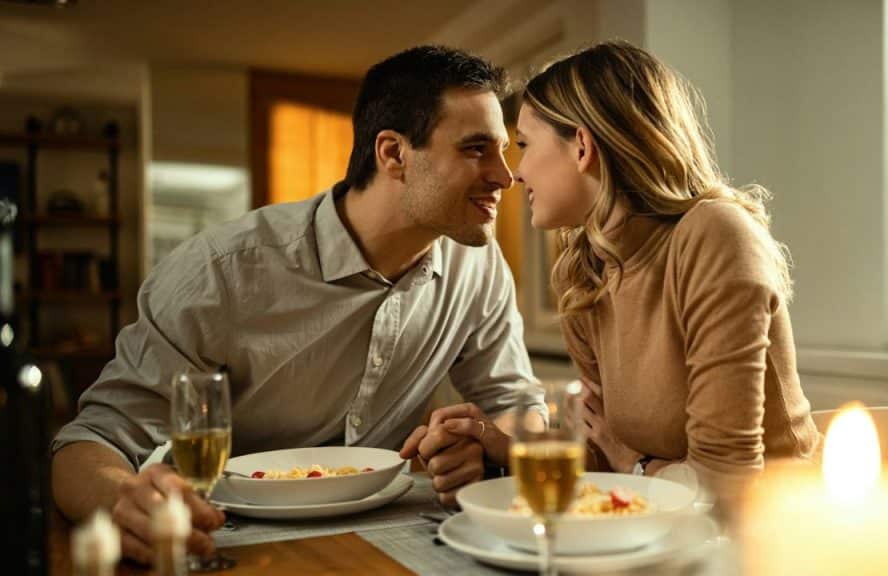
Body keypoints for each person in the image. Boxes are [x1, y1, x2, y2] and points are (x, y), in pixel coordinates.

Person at [50, 45, 545, 565]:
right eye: (476, 149)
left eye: (504, 150)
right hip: (224, 541)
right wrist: (120, 499)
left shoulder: (479, 268)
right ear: (393, 154)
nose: (505, 175)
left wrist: (483, 440)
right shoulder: (220, 272)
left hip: (388, 538)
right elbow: (89, 442)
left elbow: (515, 406)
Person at [437, 41, 820, 509]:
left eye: (524, 146)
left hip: (775, 527)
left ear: (582, 146)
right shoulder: (584, 271)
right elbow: (603, 450)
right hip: (660, 521)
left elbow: (723, 486)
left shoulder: (714, 235)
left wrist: (633, 464)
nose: (516, 174)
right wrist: (503, 447)